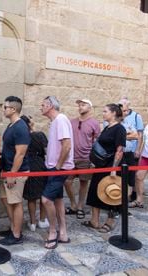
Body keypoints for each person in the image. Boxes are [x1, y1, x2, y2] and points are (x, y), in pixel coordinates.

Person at [83, 104, 126, 233]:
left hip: (111, 166)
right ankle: (94, 221)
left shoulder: (120, 129)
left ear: (113, 113)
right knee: (95, 192)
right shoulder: (107, 127)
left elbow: (120, 150)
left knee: (111, 195)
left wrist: (114, 168)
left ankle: (110, 222)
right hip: (100, 166)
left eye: (105, 111)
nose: (103, 113)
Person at [40, 96, 74, 249]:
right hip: (53, 167)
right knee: (58, 200)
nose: (40, 107)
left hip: (58, 168)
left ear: (50, 105)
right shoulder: (54, 122)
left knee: (46, 200)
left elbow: (67, 145)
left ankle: (53, 231)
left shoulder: (60, 119)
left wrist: (58, 166)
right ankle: (63, 233)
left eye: (42, 105)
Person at [0, 96, 30, 245]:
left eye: (5, 107)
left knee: (16, 202)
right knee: (6, 199)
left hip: (16, 172)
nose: (3, 109)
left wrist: (12, 173)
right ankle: (13, 227)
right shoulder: (11, 126)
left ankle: (17, 235)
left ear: (13, 109)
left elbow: (20, 153)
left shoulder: (21, 126)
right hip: (7, 170)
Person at [64, 99, 100, 219]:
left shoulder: (94, 123)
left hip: (86, 158)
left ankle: (80, 207)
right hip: (71, 157)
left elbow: (97, 141)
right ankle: (73, 204)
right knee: (67, 181)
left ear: (89, 107)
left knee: (83, 183)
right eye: (79, 105)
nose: (80, 107)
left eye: (83, 104)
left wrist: (94, 159)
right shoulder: (71, 122)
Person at [20, 115, 49, 231]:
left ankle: (32, 223)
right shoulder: (40, 135)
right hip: (40, 164)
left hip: (27, 165)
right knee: (42, 194)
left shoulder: (22, 137)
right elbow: (47, 150)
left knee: (31, 197)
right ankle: (42, 220)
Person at [118, 97, 144, 202]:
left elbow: (139, 134)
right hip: (121, 151)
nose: (122, 110)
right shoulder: (116, 117)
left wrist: (138, 149)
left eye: (123, 108)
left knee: (132, 173)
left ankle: (133, 193)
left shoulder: (136, 116)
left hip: (132, 149)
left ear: (128, 108)